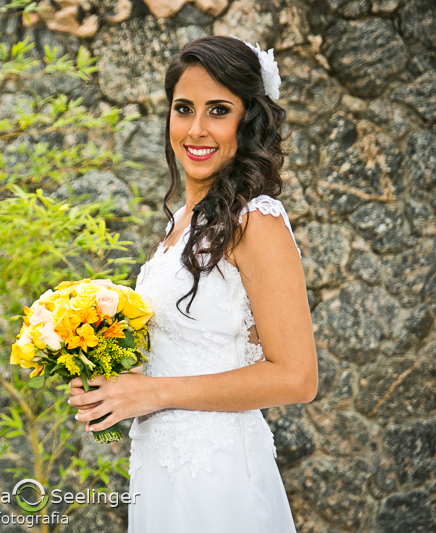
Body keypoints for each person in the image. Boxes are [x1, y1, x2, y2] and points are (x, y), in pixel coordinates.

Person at [67, 35, 318, 532]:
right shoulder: (181, 223)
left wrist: (152, 393)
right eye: (184, 109)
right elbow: (185, 351)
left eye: (218, 110)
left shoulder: (256, 220)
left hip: (219, 477)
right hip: (160, 471)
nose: (196, 128)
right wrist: (112, 379)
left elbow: (297, 378)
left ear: (247, 121)